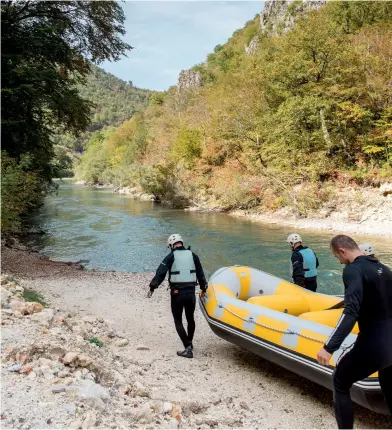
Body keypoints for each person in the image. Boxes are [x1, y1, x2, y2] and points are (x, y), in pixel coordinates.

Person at [317, 234, 392, 429]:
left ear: (342, 250)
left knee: (340, 380)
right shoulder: (384, 269)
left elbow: (351, 311)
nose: (339, 261)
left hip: (374, 343)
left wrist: (329, 347)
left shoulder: (353, 269)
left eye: (336, 257)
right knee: (389, 382)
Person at [147, 234, 208, 359]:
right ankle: (189, 342)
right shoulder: (193, 255)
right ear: (182, 243)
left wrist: (153, 287)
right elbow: (200, 273)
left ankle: (187, 348)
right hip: (191, 293)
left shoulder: (170, 256)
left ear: (171, 245)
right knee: (190, 319)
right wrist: (204, 288)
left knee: (178, 320)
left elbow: (161, 273)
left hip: (177, 294)